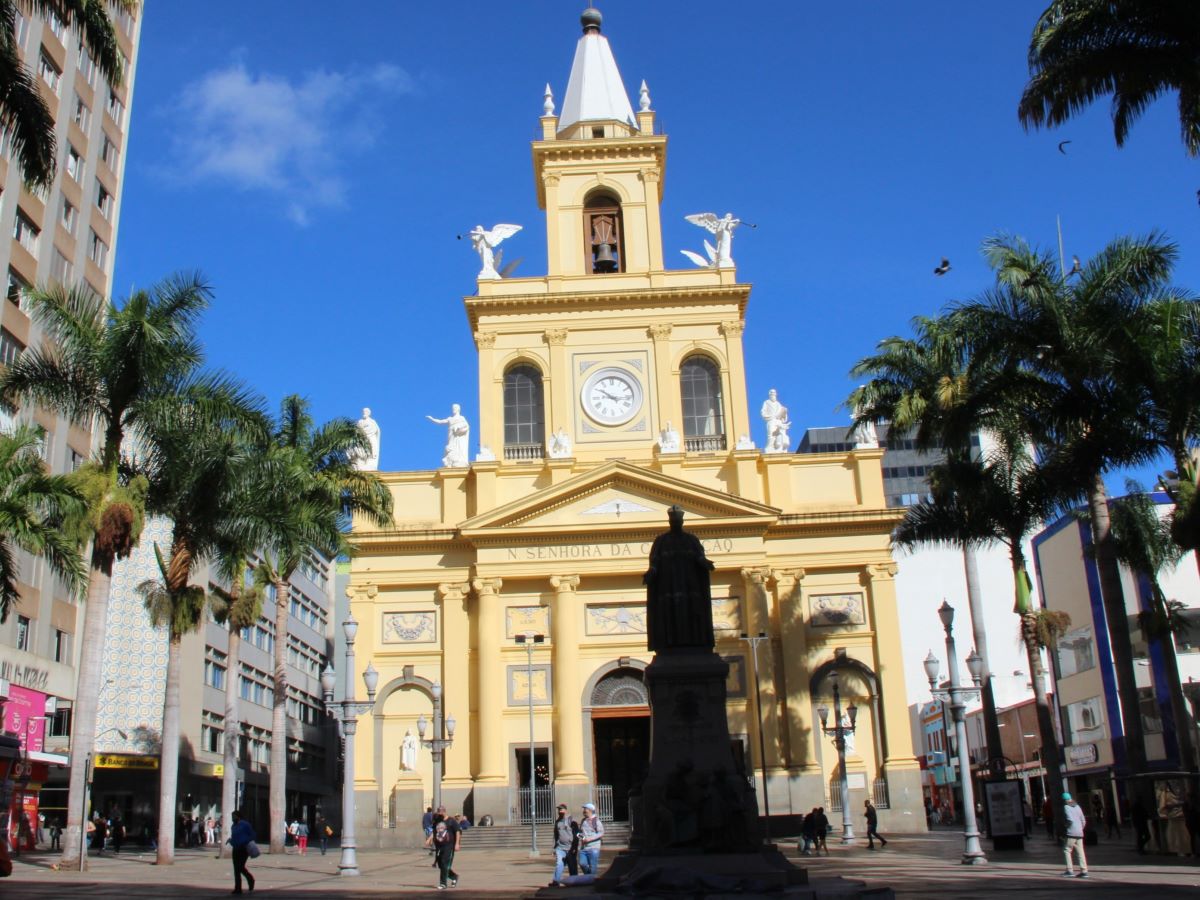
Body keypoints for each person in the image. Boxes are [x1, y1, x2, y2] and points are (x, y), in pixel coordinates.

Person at [643, 505, 716, 653]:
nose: (676, 523)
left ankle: (695, 641)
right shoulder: (661, 541)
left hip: (688, 587)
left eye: (678, 520)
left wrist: (705, 563)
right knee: (669, 614)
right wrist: (652, 571)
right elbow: (654, 561)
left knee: (690, 612)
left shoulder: (692, 540)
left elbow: (699, 556)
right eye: (673, 520)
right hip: (668, 587)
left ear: (682, 521)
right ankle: (669, 642)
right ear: (670, 522)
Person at [429, 809, 460, 890]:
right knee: (441, 865)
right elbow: (434, 831)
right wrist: (429, 838)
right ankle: (454, 876)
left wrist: (457, 844)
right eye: (438, 813)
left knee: (444, 863)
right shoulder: (437, 821)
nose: (439, 815)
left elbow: (457, 832)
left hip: (449, 846)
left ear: (444, 812)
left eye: (440, 813)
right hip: (439, 846)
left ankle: (443, 884)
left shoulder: (451, 821)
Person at [226, 810, 256, 895]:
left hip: (244, 848)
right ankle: (238, 888)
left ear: (238, 816)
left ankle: (250, 879)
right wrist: (230, 841)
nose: (232, 818)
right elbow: (234, 837)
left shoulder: (245, 825)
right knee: (236, 869)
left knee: (240, 867)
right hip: (236, 848)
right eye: (232, 817)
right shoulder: (233, 826)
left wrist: (245, 841)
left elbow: (252, 835)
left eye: (234, 816)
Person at [551, 803, 580, 885]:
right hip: (560, 848)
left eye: (561, 809)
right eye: (559, 810)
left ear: (566, 810)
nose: (560, 811)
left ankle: (574, 882)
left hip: (571, 848)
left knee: (572, 866)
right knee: (559, 864)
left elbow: (578, 834)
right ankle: (556, 882)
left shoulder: (572, 821)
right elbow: (555, 835)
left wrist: (575, 847)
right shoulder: (557, 822)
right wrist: (554, 848)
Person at [1061, 792, 1089, 878]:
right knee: (1080, 851)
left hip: (1071, 832)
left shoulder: (1066, 807)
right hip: (1080, 832)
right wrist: (1080, 828)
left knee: (1067, 850)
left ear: (1064, 800)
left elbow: (1070, 820)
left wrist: (1066, 828)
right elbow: (1083, 820)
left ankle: (1069, 870)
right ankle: (1084, 871)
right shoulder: (1077, 806)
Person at [578, 802, 604, 874]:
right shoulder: (583, 821)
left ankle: (591, 881)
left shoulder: (596, 821)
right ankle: (589, 877)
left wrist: (589, 839)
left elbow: (601, 833)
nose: (583, 811)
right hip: (584, 848)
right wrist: (582, 838)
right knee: (582, 863)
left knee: (593, 867)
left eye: (585, 809)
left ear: (590, 810)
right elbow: (579, 833)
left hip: (594, 848)